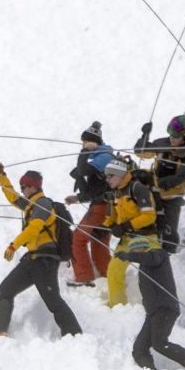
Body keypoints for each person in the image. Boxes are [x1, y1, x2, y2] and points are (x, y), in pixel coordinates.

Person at [0, 165, 82, 337]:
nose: (22, 190)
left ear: (35, 186)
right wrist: (1, 175)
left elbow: (34, 229)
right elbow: (12, 197)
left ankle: (75, 335)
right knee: (5, 291)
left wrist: (14, 245)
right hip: (32, 260)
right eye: (21, 187)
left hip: (45, 261)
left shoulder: (43, 204)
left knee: (53, 301)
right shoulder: (31, 204)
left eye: (25, 187)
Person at [115, 236, 185, 370]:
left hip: (165, 309)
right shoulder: (145, 264)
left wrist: (128, 255)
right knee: (139, 349)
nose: (134, 253)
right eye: (132, 251)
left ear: (143, 247)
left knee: (159, 344)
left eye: (135, 250)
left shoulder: (159, 255)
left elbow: (151, 259)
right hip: (153, 312)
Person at [133, 115, 185, 253]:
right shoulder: (162, 143)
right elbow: (140, 152)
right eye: (171, 135)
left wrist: (160, 183)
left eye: (176, 136)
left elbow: (181, 177)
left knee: (169, 229)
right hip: (155, 194)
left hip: (172, 198)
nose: (172, 139)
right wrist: (145, 135)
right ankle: (148, 251)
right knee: (150, 224)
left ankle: (169, 254)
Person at [101, 158, 159, 307]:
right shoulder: (116, 193)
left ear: (120, 175)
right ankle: (117, 306)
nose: (107, 179)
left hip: (147, 237)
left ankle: (157, 306)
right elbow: (112, 216)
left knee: (152, 273)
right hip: (127, 239)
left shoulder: (138, 189)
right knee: (114, 271)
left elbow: (149, 216)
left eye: (110, 176)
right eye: (106, 176)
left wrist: (126, 226)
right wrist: (108, 225)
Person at [64, 121, 114, 286]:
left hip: (102, 207)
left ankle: (84, 277)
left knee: (78, 239)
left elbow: (84, 170)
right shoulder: (103, 156)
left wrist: (85, 151)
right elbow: (96, 190)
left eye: (84, 142)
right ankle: (107, 277)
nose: (83, 145)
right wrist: (77, 198)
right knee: (99, 241)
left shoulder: (104, 156)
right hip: (107, 207)